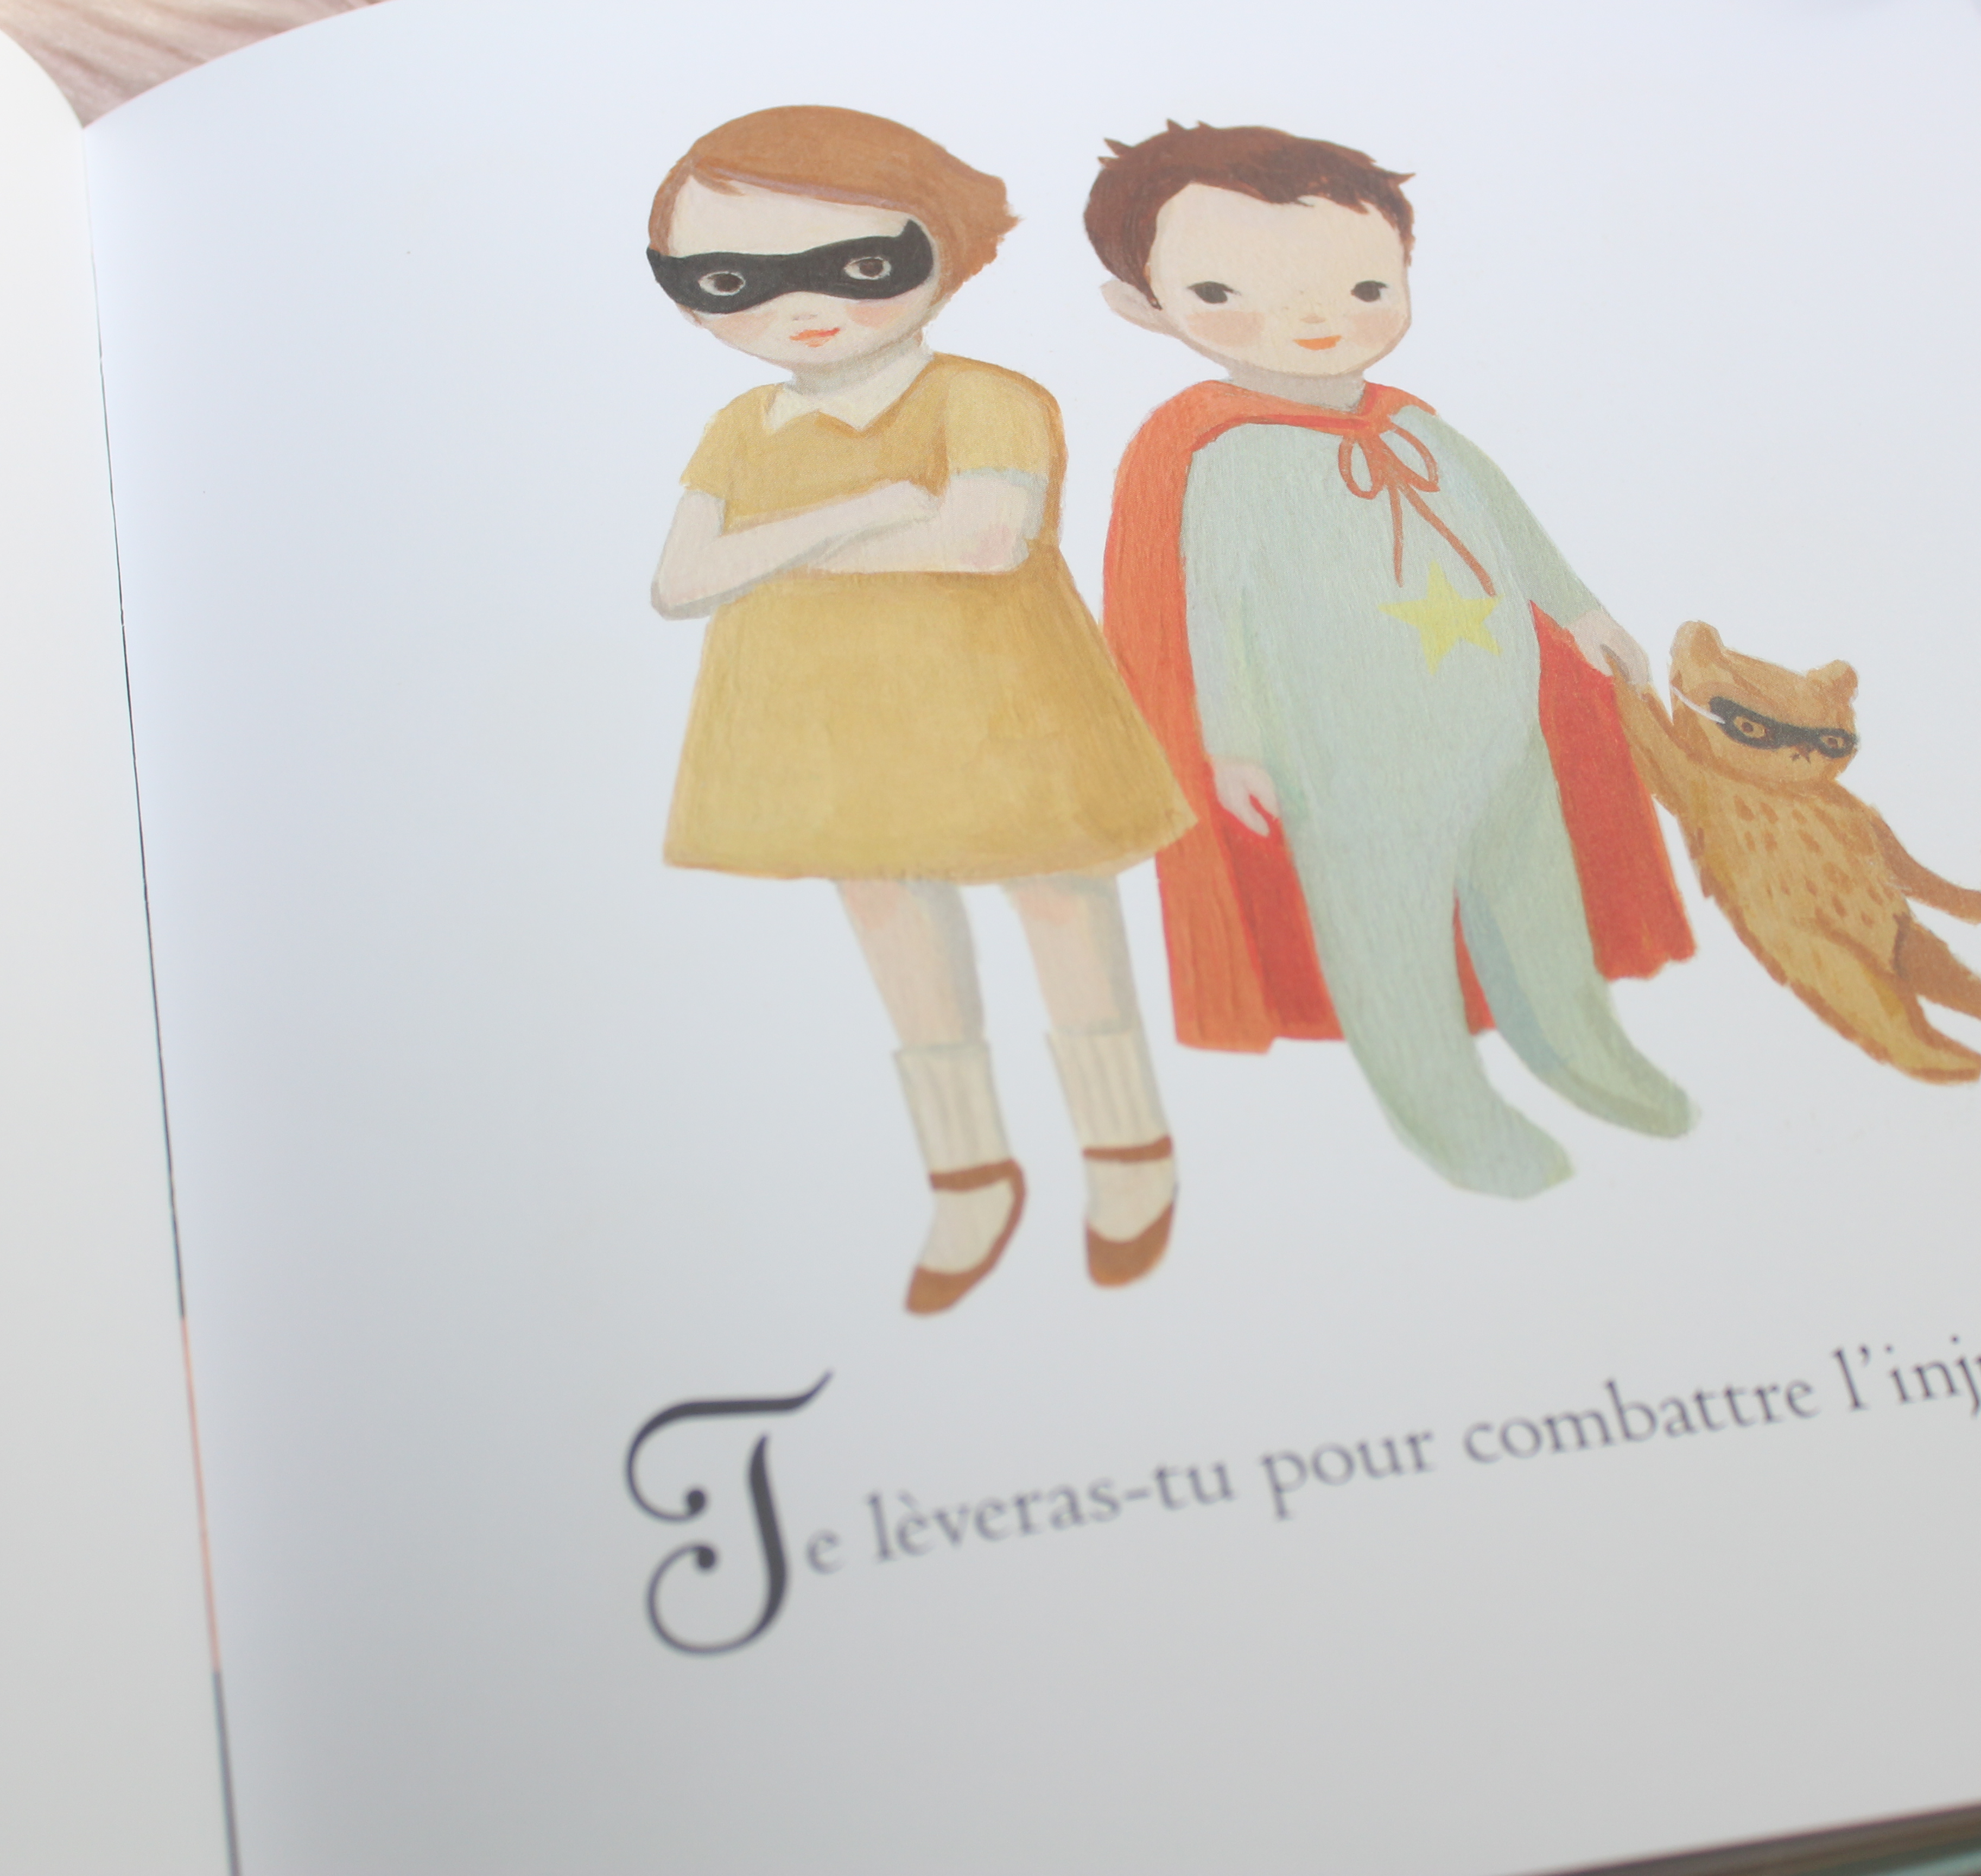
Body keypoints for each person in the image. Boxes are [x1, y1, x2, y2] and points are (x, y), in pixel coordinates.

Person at [646, 107, 1192, 1312]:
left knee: (1057, 902)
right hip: (822, 724)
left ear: (942, 245)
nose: (804, 307)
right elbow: (679, 582)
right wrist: (862, 509)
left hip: (1002, 706)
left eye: (859, 263)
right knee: (888, 913)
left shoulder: (986, 396)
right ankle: (966, 1170)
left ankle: (1126, 1146)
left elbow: (985, 538)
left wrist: (777, 551)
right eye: (731, 281)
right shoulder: (741, 427)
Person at [1090, 123, 1695, 1197]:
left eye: (1364, 286)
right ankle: (1445, 1109)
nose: (1316, 319)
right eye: (1230, 292)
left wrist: (1583, 611)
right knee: (1389, 940)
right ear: (1144, 305)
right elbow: (1208, 614)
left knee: (1538, 902)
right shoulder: (1225, 458)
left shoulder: (1418, 429)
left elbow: (1508, 527)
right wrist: (1230, 742)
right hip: (1344, 765)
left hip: (1501, 725)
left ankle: (1581, 1048)